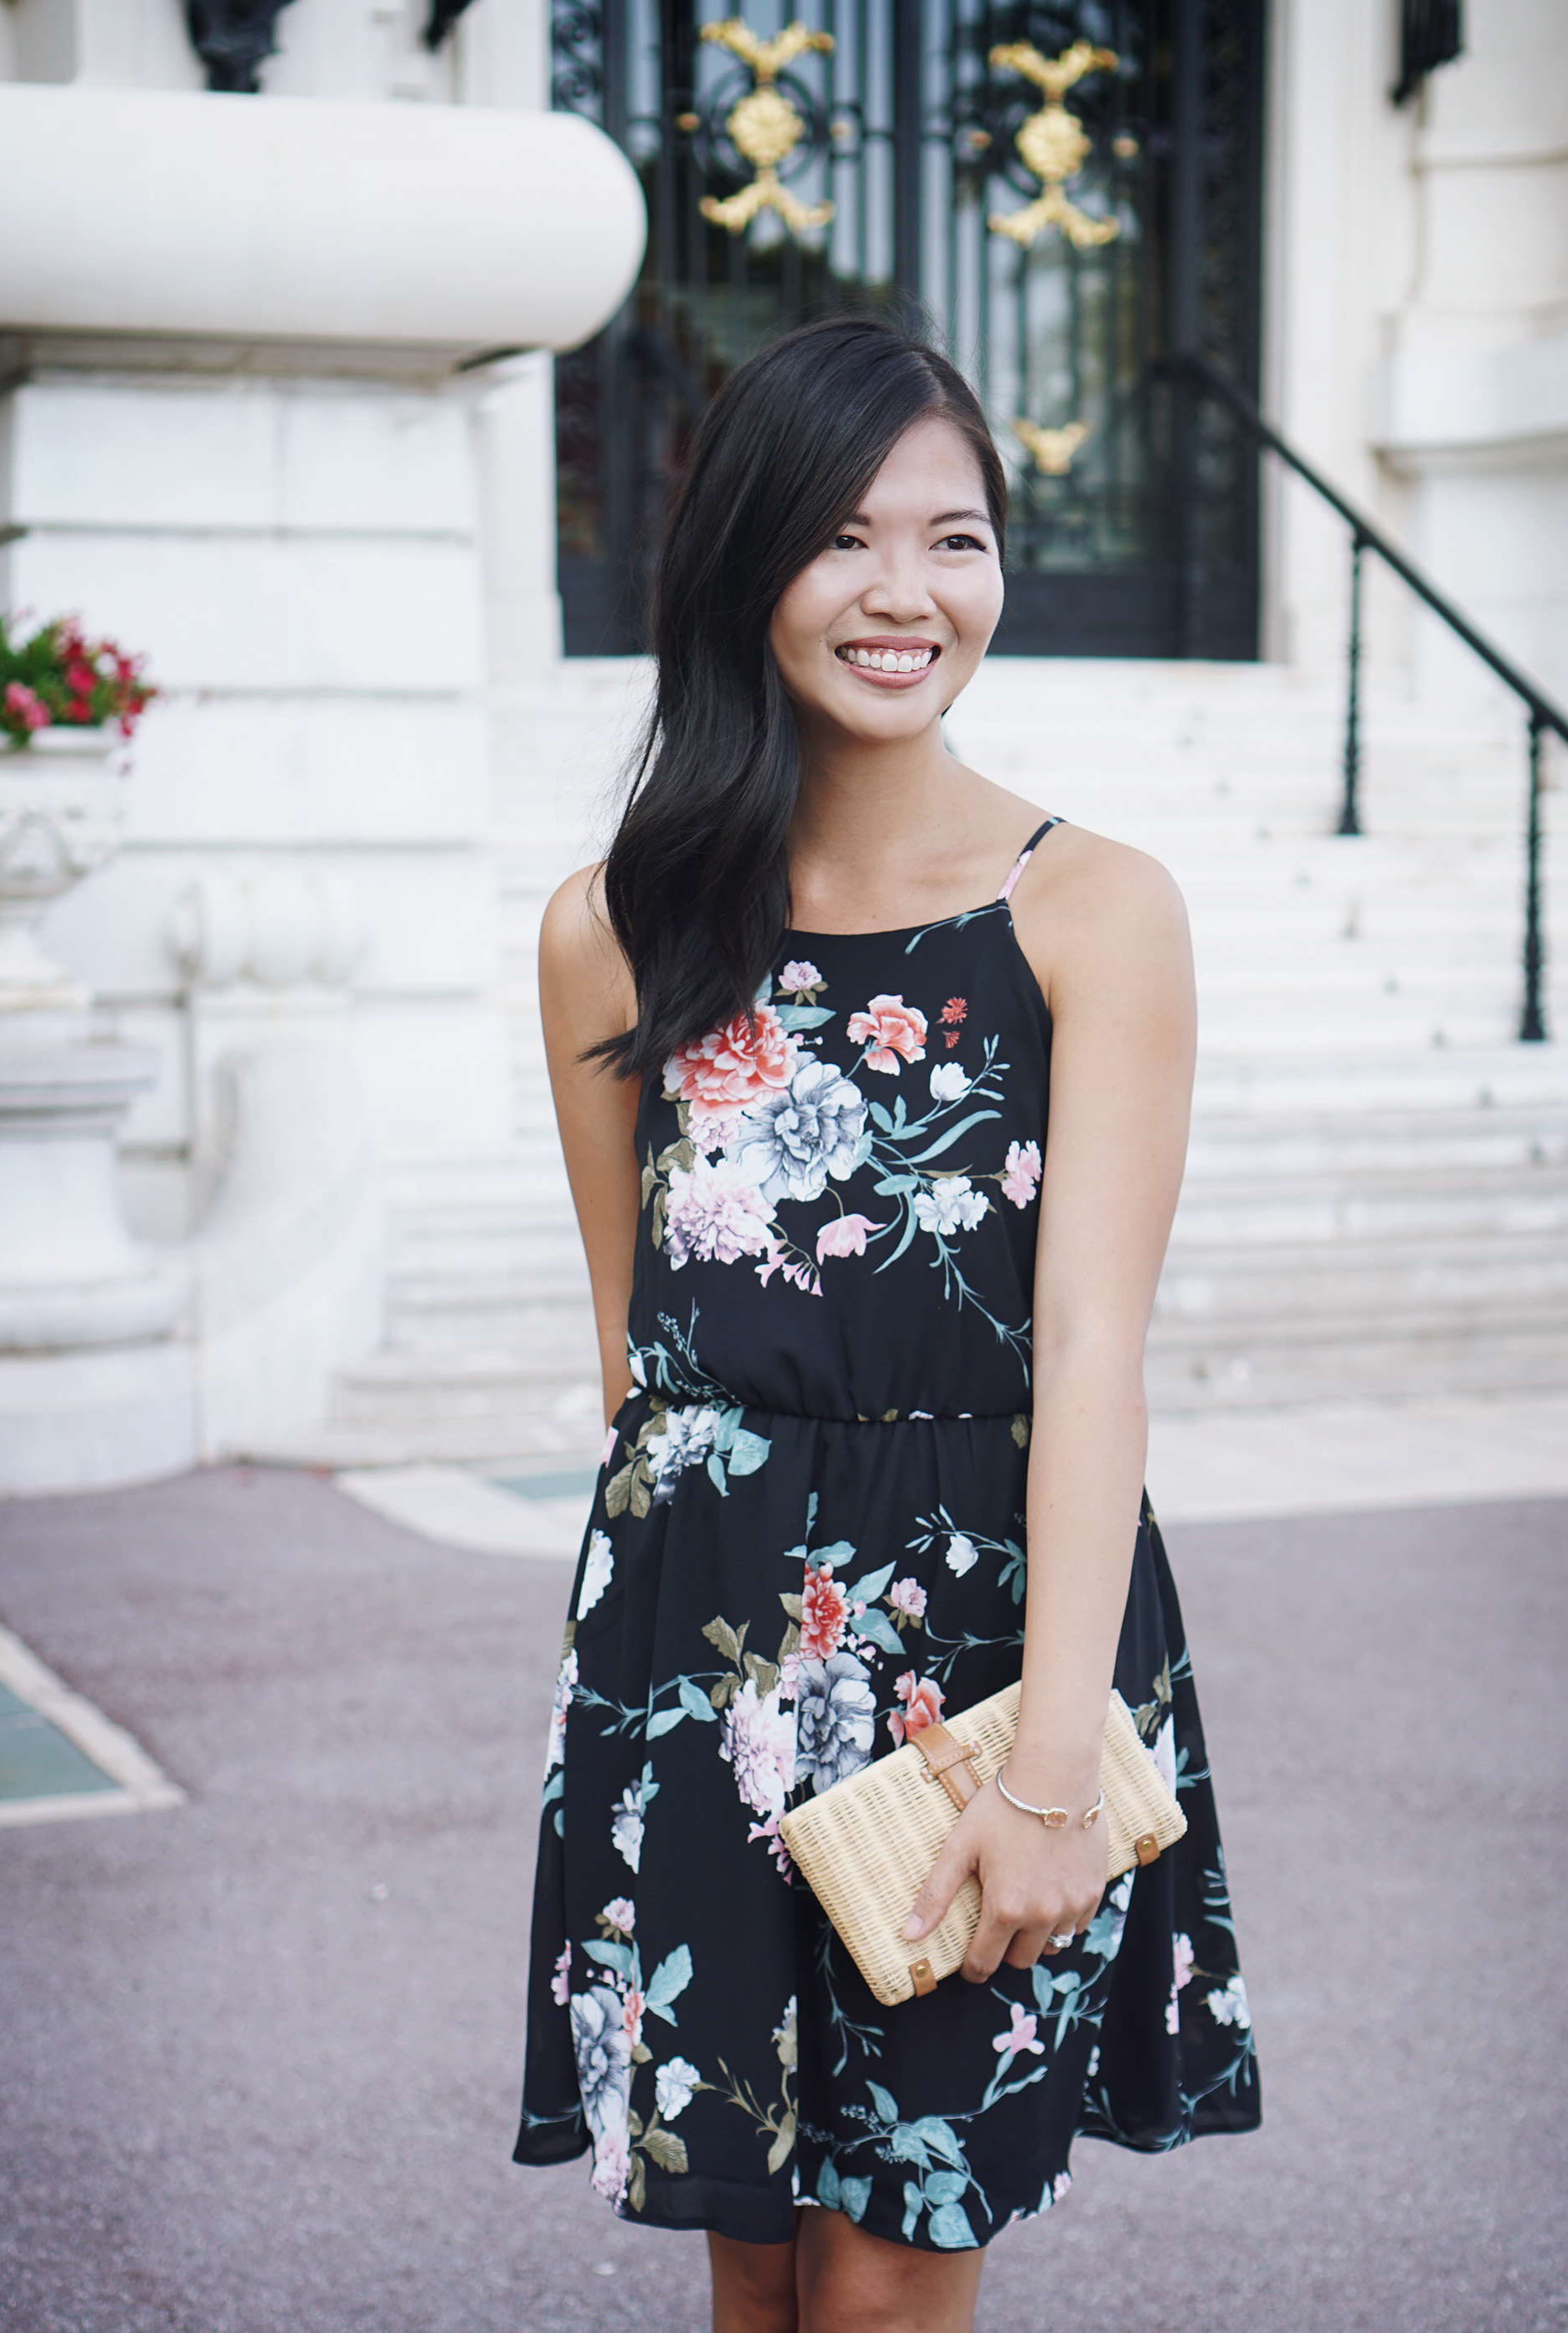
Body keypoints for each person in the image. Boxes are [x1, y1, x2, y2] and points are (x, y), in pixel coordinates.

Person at [514, 314, 1259, 2333]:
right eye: (846, 538)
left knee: (887, 2273)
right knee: (754, 2269)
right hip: (703, 1652)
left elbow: (1093, 1348)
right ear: (749, 561)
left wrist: (1045, 1766)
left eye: (957, 538)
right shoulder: (614, 922)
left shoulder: (1090, 905)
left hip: (984, 1658)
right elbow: (635, 1365)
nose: (906, 593)